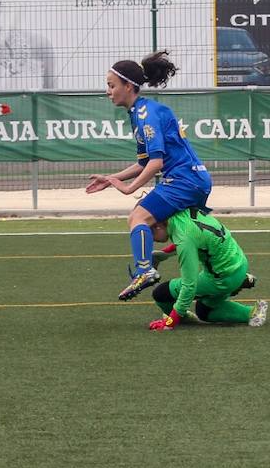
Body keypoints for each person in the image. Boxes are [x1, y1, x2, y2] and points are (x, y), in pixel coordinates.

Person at [86, 51, 212, 301]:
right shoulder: (140, 112)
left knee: (138, 217)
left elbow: (156, 163)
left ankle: (145, 270)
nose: (108, 91)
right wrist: (112, 178)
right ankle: (221, 271)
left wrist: (129, 188)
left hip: (184, 179)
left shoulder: (146, 114)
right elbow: (143, 162)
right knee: (167, 231)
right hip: (193, 178)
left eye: (111, 85)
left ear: (129, 86)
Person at [146, 208, 268, 331]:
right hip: (238, 263)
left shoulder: (184, 239)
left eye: (147, 233)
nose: (150, 239)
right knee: (204, 311)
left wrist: (170, 322)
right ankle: (253, 311)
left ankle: (183, 318)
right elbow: (196, 239)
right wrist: (162, 255)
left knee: (161, 294)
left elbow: (189, 286)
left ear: (158, 226)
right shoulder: (182, 214)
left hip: (222, 278)